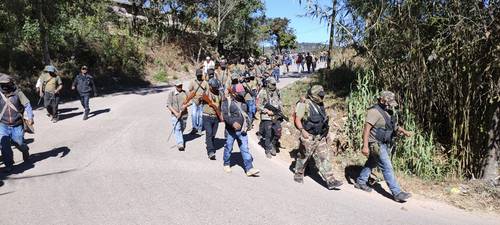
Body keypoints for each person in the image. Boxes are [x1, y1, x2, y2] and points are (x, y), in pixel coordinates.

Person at [354, 91, 413, 202]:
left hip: (383, 143)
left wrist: (404, 132)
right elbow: (366, 130)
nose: (390, 104)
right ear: (382, 100)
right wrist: (365, 146)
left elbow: (393, 126)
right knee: (387, 167)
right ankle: (397, 193)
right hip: (375, 144)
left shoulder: (387, 111)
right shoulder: (374, 112)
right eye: (389, 102)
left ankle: (361, 182)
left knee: (372, 162)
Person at [293, 85, 343, 189]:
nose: (322, 97)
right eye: (320, 95)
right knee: (304, 156)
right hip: (309, 136)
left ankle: (331, 180)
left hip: (320, 136)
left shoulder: (320, 104)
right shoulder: (304, 104)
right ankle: (298, 174)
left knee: (324, 158)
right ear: (314, 95)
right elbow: (297, 119)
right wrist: (303, 131)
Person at [222, 77, 260, 176]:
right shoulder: (228, 101)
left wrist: (248, 124)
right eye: (240, 93)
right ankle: (226, 164)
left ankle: (249, 168)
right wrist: (232, 123)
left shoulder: (244, 102)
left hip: (242, 131)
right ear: (234, 93)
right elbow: (225, 116)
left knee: (245, 149)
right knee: (229, 147)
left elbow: (246, 114)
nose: (242, 95)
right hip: (231, 131)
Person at [0, 74, 34, 172]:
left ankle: (25, 150)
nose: (4, 86)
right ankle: (9, 164)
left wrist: (30, 116)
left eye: (6, 83)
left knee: (19, 143)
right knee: (4, 145)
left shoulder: (18, 93)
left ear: (11, 83)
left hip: (17, 124)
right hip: (3, 124)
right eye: (2, 84)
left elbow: (27, 105)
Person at [257, 77, 283, 158]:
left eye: (275, 84)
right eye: (272, 84)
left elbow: (280, 101)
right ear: (268, 83)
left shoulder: (277, 91)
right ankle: (268, 149)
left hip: (276, 116)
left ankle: (273, 144)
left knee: (278, 132)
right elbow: (258, 105)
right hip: (267, 117)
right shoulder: (263, 92)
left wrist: (280, 110)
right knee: (268, 134)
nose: (274, 86)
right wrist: (267, 111)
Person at [167, 80, 190, 151]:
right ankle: (180, 144)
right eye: (178, 86)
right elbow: (168, 105)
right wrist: (176, 113)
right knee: (177, 128)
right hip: (175, 115)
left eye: (181, 85)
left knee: (183, 127)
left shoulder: (185, 92)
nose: (180, 87)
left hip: (184, 114)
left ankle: (179, 136)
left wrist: (185, 106)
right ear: (175, 86)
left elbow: (191, 102)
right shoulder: (171, 94)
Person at [202, 79, 222, 160]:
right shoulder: (207, 92)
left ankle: (210, 143)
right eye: (214, 87)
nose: (215, 89)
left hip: (216, 117)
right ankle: (210, 151)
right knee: (209, 133)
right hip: (207, 116)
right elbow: (201, 98)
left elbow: (220, 105)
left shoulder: (219, 94)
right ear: (210, 86)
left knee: (213, 134)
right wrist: (209, 102)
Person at [188, 69, 208, 135]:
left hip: (202, 102)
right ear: (196, 75)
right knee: (193, 115)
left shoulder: (205, 83)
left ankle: (199, 128)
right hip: (194, 100)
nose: (199, 77)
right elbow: (190, 90)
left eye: (200, 75)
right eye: (198, 75)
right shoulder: (193, 82)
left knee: (200, 116)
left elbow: (207, 92)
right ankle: (194, 128)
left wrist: (203, 96)